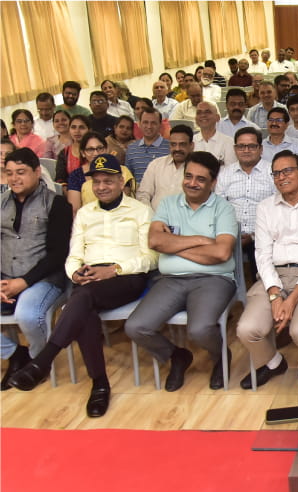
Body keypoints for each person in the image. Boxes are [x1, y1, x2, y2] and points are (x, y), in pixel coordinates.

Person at [8, 153, 156, 417]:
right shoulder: (86, 213)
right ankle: (99, 385)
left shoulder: (141, 211)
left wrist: (114, 269)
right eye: (96, 182)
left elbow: (152, 258)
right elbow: (74, 254)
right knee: (84, 307)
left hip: (126, 276)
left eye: (108, 181)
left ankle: (44, 361)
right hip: (88, 279)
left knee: (80, 300)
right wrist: (75, 273)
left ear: (121, 182)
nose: (101, 187)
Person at [125, 152, 238, 392]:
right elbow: (155, 241)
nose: (192, 183)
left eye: (200, 179)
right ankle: (177, 356)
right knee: (136, 326)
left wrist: (173, 246)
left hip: (213, 279)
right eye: (188, 176)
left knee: (199, 330)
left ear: (213, 182)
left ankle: (220, 356)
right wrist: (200, 240)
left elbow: (221, 253)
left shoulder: (224, 209)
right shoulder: (167, 204)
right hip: (170, 280)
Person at [235, 150, 298, 389]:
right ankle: (273, 363)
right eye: (276, 173)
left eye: (288, 171)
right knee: (247, 329)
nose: (281, 177)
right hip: (274, 277)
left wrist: (291, 300)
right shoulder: (265, 208)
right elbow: (262, 254)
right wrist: (274, 294)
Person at [0, 148, 73, 390]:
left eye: (21, 172)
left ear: (37, 172)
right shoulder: (1, 203)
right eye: (9, 173)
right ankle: (15, 354)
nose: (14, 178)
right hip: (5, 276)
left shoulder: (56, 203)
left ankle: (37, 363)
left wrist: (23, 282)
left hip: (45, 279)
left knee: (28, 315)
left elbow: (58, 254)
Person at [216, 127, 275, 274]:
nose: (246, 150)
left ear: (261, 149)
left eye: (252, 146)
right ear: (235, 149)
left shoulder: (273, 172)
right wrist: (231, 234)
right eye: (241, 146)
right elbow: (219, 208)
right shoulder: (225, 173)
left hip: (264, 236)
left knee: (263, 273)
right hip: (231, 235)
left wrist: (254, 236)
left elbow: (278, 210)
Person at [67, 132, 137, 213]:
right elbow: (75, 209)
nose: (96, 153)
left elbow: (125, 201)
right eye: (90, 149)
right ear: (83, 153)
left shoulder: (121, 171)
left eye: (100, 148)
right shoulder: (76, 175)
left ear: (106, 149)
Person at [137, 124, 194, 210]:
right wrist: (150, 215)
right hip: (154, 216)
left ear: (191, 146)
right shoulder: (156, 164)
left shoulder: (198, 169)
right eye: (173, 144)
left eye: (182, 144)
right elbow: (143, 194)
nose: (177, 149)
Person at [125, 108, 170, 183]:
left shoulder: (170, 148)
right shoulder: (131, 148)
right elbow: (128, 179)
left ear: (160, 125)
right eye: (145, 122)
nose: (149, 126)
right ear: (139, 124)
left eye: (153, 123)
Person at [193, 101, 237, 168]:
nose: (203, 115)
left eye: (207, 112)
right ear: (195, 119)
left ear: (217, 117)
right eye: (199, 113)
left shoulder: (229, 142)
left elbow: (231, 170)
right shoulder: (190, 142)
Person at [53, 115, 90, 184]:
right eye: (73, 127)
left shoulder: (95, 151)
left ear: (89, 130)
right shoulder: (64, 153)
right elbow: (60, 179)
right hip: (70, 188)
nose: (77, 131)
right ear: (69, 130)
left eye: (81, 127)